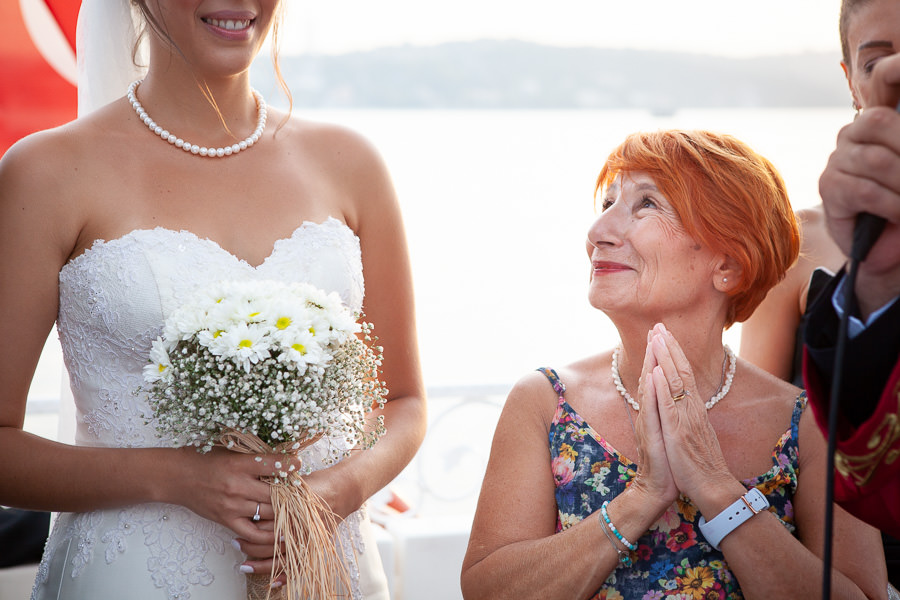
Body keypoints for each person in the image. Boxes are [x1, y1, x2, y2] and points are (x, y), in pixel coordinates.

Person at [0, 0, 427, 598]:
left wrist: (333, 495)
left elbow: (403, 402)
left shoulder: (350, 164)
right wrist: (177, 479)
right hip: (133, 575)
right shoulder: (46, 173)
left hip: (322, 569)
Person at [460, 130, 887, 599]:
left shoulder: (815, 423)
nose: (597, 232)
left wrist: (716, 488)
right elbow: (488, 590)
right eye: (607, 202)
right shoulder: (544, 402)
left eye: (646, 204)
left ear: (729, 265)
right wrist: (642, 496)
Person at [804, 24, 900, 543]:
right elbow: (864, 487)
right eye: (876, 64)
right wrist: (879, 282)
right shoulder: (819, 238)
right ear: (852, 82)